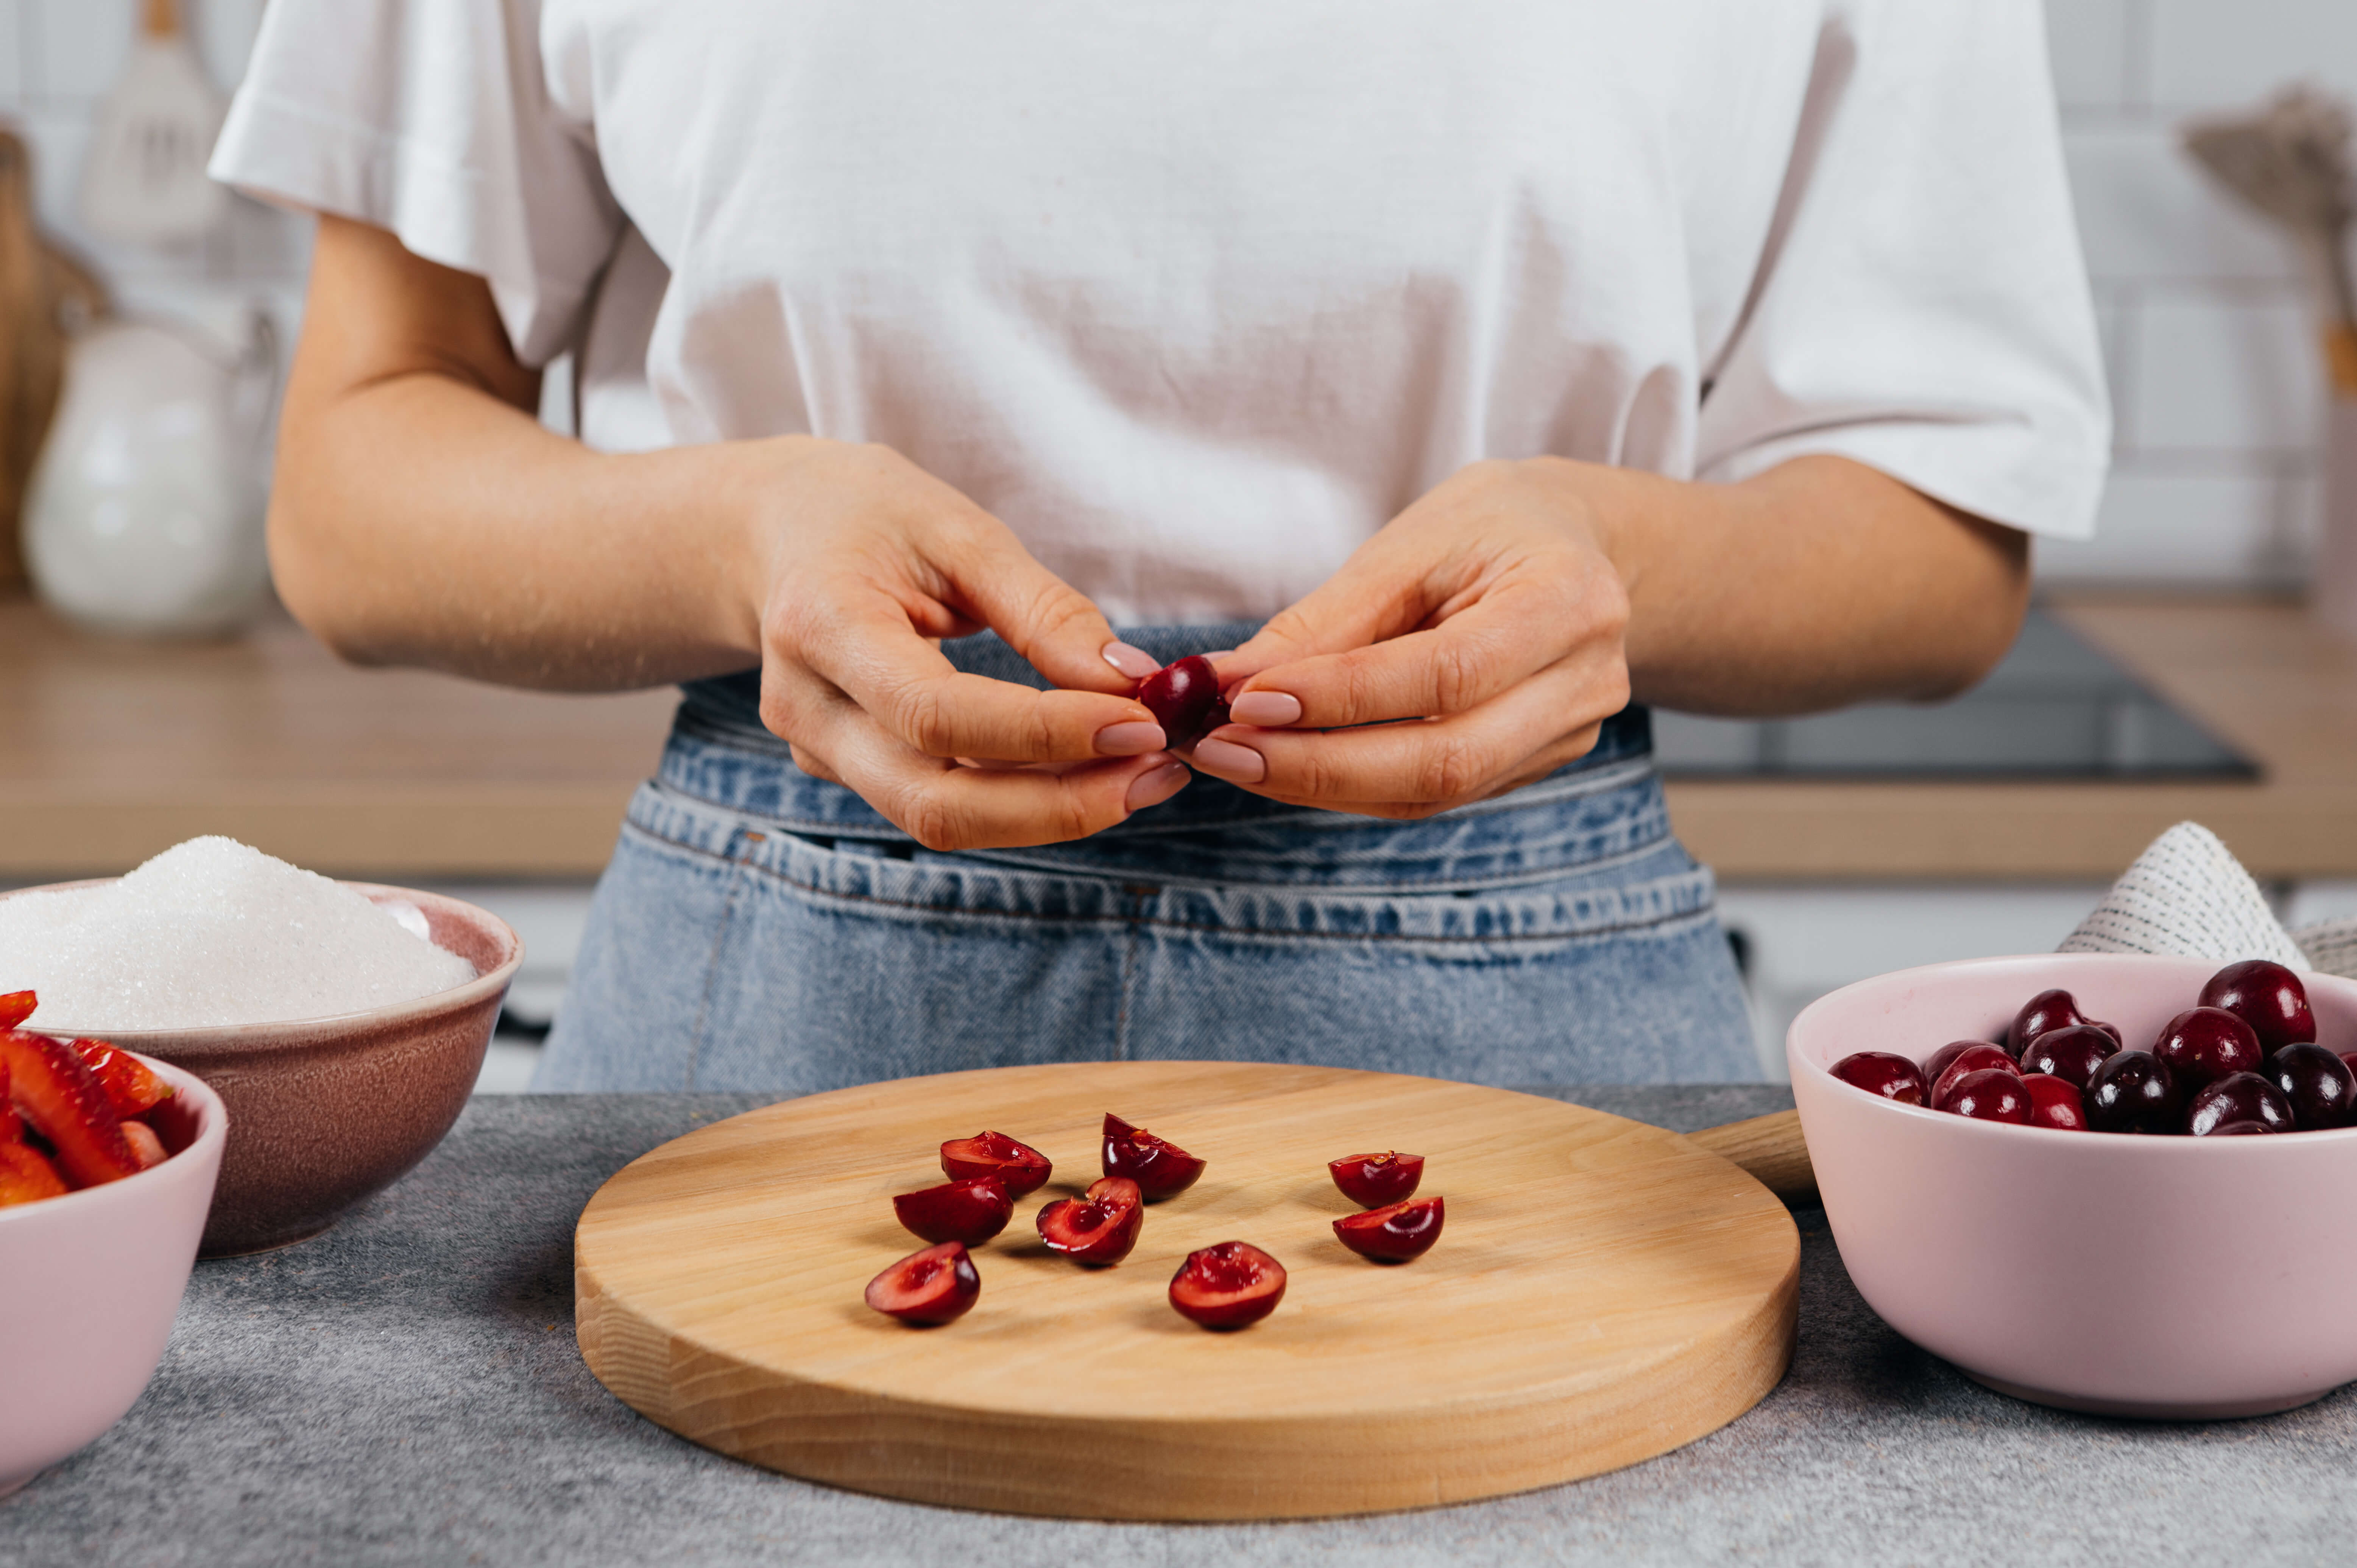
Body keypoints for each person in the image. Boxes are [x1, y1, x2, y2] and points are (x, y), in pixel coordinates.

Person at [211, 0, 2106, 1093]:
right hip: (777, 988)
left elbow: (1941, 535)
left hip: (1539, 1005)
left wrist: (1618, 555)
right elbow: (352, 483)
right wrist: (740, 532)